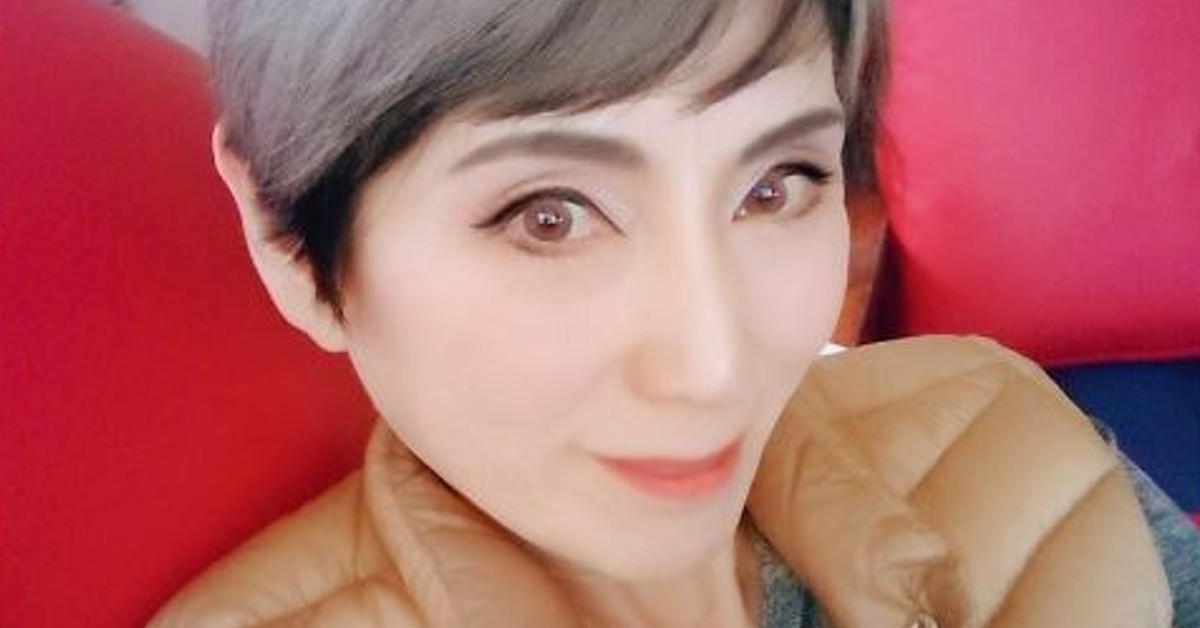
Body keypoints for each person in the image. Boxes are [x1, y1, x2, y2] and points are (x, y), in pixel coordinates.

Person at [151, 0, 1199, 626]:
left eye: (775, 186)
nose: (714, 368)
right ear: (290, 245)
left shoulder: (1007, 421)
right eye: (550, 215)